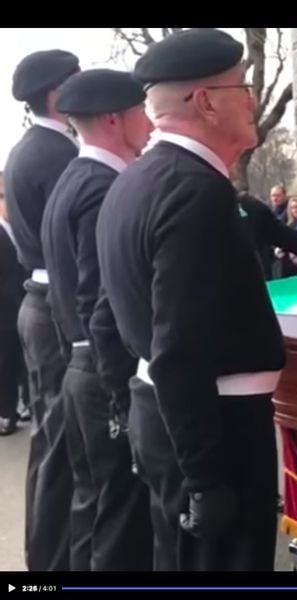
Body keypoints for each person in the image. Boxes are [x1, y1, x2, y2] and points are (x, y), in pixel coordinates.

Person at [95, 28, 287, 571]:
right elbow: (177, 348)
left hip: (168, 417)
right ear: (205, 102)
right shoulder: (193, 190)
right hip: (215, 426)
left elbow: (109, 315)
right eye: (241, 86)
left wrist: (127, 407)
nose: (251, 99)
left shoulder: (137, 181)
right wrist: (205, 477)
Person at [40, 68, 154, 571]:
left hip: (78, 366)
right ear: (114, 118)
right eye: (141, 112)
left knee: (92, 504)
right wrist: (119, 391)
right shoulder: (105, 185)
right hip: (104, 368)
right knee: (122, 514)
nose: (150, 124)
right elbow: (98, 299)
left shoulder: (73, 178)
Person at [4, 48, 81, 572]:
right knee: (59, 444)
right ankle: (51, 567)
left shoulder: (29, 149)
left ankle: (51, 558)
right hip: (56, 305)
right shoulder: (56, 155)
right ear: (57, 95)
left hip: (40, 301)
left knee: (53, 439)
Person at [0, 190, 24, 436]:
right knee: (5, 363)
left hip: (22, 305)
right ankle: (6, 413)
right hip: (5, 311)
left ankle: (25, 405)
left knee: (24, 362)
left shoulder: (20, 229)